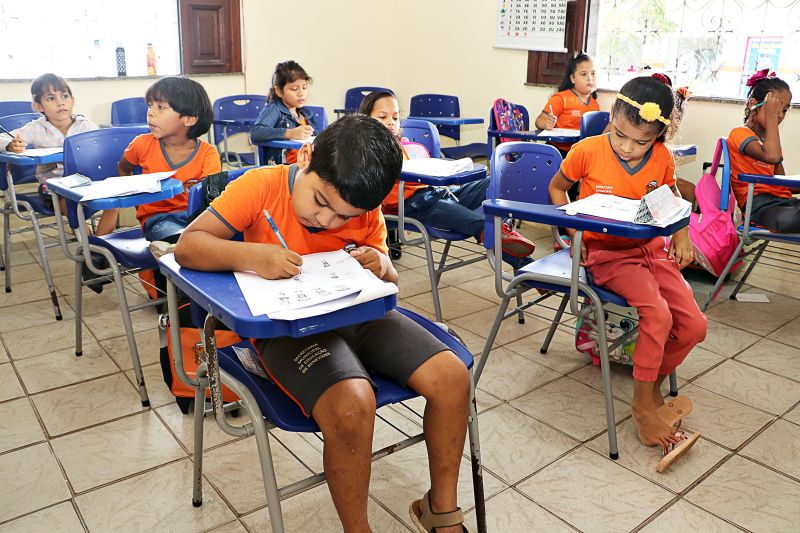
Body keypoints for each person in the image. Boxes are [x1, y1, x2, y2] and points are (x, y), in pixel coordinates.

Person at [175, 115, 472, 533]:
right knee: (353, 404)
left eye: (343, 216)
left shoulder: (363, 206)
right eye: (320, 202)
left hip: (359, 316)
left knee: (452, 377)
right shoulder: (261, 186)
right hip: (287, 328)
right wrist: (254, 256)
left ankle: (440, 511)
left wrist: (382, 265)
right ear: (306, 155)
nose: (327, 222)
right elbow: (188, 246)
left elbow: (387, 276)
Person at [548, 76, 707, 468]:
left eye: (641, 142)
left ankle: (650, 384)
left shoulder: (663, 159)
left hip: (653, 251)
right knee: (658, 314)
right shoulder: (586, 151)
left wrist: (683, 235)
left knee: (693, 326)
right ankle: (641, 406)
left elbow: (670, 199)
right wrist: (575, 235)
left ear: (658, 136)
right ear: (612, 115)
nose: (628, 147)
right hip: (608, 256)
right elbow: (557, 189)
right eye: (620, 135)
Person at [358, 90, 536, 263]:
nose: (391, 123)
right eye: (382, 117)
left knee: (493, 182)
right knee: (480, 225)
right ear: (366, 120)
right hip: (414, 206)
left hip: (437, 193)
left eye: (395, 118)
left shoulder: (397, 145)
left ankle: (505, 232)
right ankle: (524, 264)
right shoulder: (366, 152)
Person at [0, 73, 116, 235]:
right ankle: (90, 246)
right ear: (38, 107)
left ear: (72, 100)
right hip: (55, 186)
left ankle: (101, 247)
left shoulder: (86, 126)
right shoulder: (36, 128)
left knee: (114, 203)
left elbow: (104, 151)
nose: (60, 102)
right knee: (67, 202)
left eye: (65, 96)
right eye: (50, 98)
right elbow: (2, 138)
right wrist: (11, 145)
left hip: (87, 182)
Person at [117, 76, 220, 253]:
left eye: (161, 107)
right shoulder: (142, 144)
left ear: (189, 119)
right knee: (172, 235)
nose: (150, 112)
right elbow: (123, 169)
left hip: (197, 218)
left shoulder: (208, 154)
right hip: (158, 219)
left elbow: (212, 197)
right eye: (150, 106)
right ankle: (178, 252)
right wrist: (139, 201)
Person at [727, 69, 795, 231]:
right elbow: (771, 156)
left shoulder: (771, 143)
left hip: (784, 203)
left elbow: (782, 182)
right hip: (759, 207)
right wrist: (771, 117)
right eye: (774, 108)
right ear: (753, 105)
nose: (779, 115)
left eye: (784, 110)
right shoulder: (739, 133)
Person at [250, 60, 319, 166]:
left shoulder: (306, 113)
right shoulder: (274, 109)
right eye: (294, 89)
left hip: (307, 165)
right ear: (279, 91)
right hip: (285, 169)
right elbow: (256, 133)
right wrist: (289, 133)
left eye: (304, 87)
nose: (301, 93)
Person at [534, 52, 600, 156]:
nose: (590, 78)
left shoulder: (595, 104)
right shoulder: (560, 99)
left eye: (593, 73)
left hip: (579, 152)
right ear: (573, 78)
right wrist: (546, 123)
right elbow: (539, 121)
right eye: (584, 74)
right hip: (557, 151)